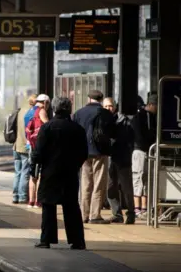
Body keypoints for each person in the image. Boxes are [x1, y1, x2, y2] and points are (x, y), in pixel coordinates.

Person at [32, 97, 88, 250]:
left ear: (54, 109)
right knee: (71, 207)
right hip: (70, 173)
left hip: (50, 172)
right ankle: (77, 241)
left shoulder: (47, 127)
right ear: (69, 109)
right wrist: (75, 165)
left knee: (48, 206)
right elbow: (83, 153)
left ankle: (46, 239)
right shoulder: (78, 129)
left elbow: (38, 152)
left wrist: (34, 170)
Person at [73, 90, 116, 224]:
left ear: (89, 98)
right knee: (99, 183)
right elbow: (113, 132)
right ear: (101, 99)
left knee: (85, 183)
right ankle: (95, 215)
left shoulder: (79, 113)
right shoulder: (105, 113)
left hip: (83, 152)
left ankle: (83, 214)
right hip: (100, 152)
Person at [102, 98, 136, 224]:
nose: (108, 109)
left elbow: (130, 138)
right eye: (105, 106)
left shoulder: (124, 121)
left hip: (122, 158)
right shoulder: (103, 120)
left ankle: (131, 213)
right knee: (110, 187)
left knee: (126, 187)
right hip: (110, 158)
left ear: (115, 107)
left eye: (110, 106)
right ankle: (117, 214)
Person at [131, 93, 158, 218]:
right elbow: (140, 136)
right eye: (157, 106)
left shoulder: (148, 117)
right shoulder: (141, 117)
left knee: (146, 179)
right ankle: (138, 208)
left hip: (145, 150)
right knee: (139, 177)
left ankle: (143, 208)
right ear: (151, 104)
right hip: (141, 150)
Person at [25, 94, 50, 208]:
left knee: (32, 174)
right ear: (45, 103)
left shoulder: (29, 111)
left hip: (31, 145)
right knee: (40, 174)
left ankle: (30, 201)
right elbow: (48, 126)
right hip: (40, 146)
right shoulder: (41, 111)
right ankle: (38, 201)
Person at [12, 94, 37, 204]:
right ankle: (22, 196)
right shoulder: (32, 113)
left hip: (16, 146)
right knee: (25, 172)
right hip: (24, 147)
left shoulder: (20, 111)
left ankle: (15, 196)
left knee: (17, 172)